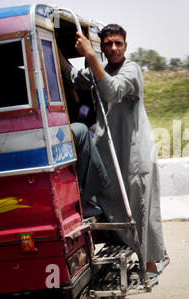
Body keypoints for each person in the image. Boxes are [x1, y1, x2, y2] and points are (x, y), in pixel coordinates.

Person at [59, 24, 165, 274]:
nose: (114, 48)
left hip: (134, 154)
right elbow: (74, 78)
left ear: (126, 46)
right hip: (113, 154)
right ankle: (139, 259)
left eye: (118, 43)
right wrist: (55, 49)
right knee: (114, 202)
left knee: (140, 209)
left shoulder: (132, 70)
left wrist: (91, 56)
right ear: (104, 47)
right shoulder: (102, 69)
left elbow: (112, 90)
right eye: (108, 44)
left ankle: (148, 265)